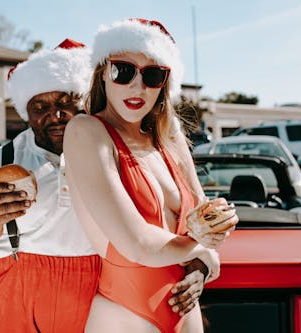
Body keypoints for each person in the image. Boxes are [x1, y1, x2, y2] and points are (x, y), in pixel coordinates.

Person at [0, 38, 208, 333]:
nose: (56, 115)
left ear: (85, 99)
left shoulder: (128, 158)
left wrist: (199, 265)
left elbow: (177, 225)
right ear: (26, 113)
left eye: (65, 102)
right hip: (13, 306)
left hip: (100, 302)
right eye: (40, 106)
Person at [63, 19, 238, 333]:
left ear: (165, 83)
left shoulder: (169, 139)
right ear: (103, 71)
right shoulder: (86, 132)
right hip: (123, 315)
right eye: (123, 71)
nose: (137, 87)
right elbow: (138, 244)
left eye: (153, 75)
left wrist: (203, 263)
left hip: (187, 314)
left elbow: (204, 221)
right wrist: (202, 250)